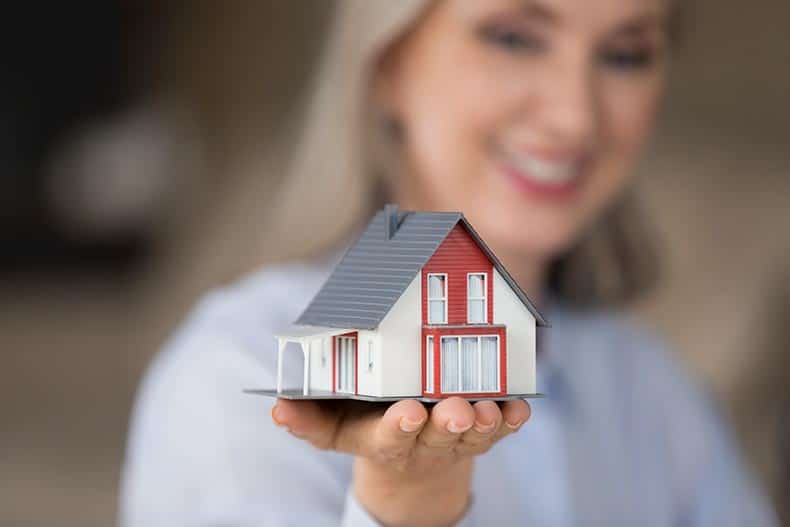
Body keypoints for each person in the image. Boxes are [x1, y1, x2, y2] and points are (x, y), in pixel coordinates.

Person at [119, 1, 778, 525]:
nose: (575, 116)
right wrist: (402, 508)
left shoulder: (655, 391)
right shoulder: (237, 369)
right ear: (387, 60)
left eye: (626, 53)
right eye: (515, 37)